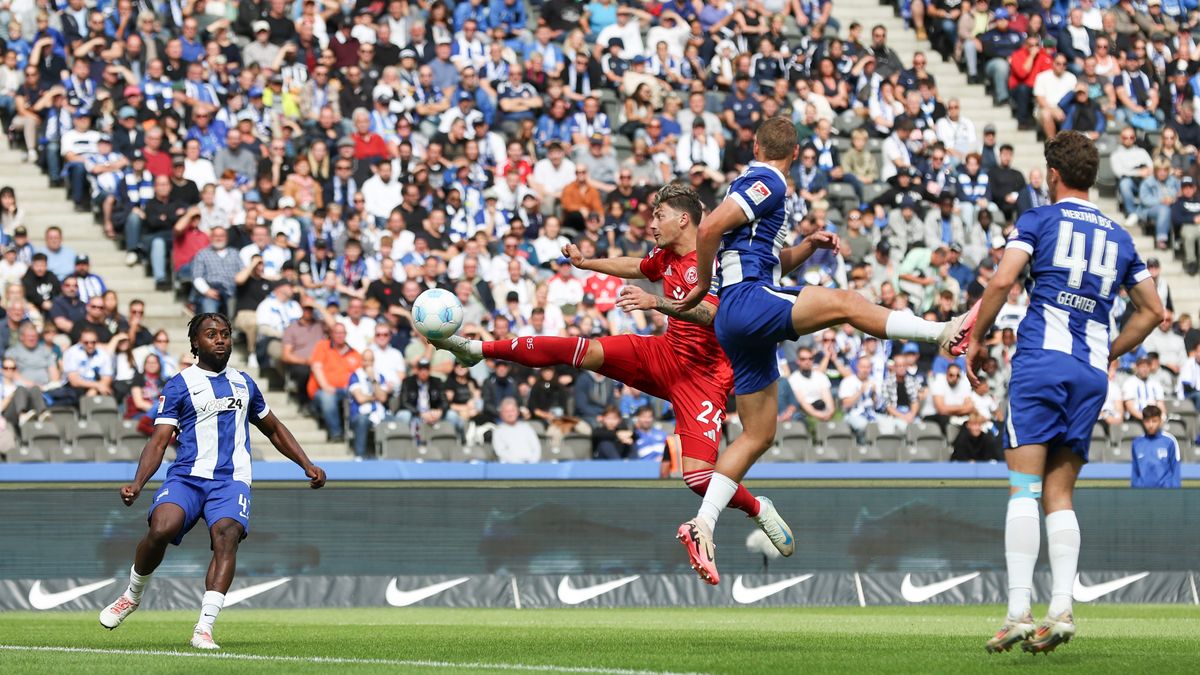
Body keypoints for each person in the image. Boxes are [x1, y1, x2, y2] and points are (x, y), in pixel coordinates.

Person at [671, 117, 979, 585]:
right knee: (846, 303)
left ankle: (703, 525)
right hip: (746, 300)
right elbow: (710, 228)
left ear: (755, 143)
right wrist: (703, 290)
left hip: (742, 315)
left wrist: (806, 247)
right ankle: (941, 332)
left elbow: (761, 255)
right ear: (795, 154)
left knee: (757, 435)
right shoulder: (768, 180)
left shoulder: (752, 189)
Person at [433, 183, 801, 566]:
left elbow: (710, 314)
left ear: (683, 218)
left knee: (697, 479)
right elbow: (638, 266)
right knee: (581, 349)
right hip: (664, 354)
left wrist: (656, 302)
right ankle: (476, 350)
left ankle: (758, 508)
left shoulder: (714, 261)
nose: (652, 225)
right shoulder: (667, 255)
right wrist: (586, 264)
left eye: (658, 217)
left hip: (705, 377)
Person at [966, 131, 1165, 654]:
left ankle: (1016, 613)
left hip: (1041, 364)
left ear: (1052, 174)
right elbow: (1154, 311)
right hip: (1090, 373)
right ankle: (1062, 608)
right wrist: (1107, 351)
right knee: (1060, 494)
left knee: (1025, 488)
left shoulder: (1038, 220)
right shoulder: (1120, 236)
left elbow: (1001, 282)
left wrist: (976, 341)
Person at [98, 313, 326, 650]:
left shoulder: (245, 383)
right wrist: (138, 482)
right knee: (162, 528)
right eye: (211, 334)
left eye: (225, 334)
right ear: (195, 344)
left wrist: (306, 463)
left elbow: (273, 428)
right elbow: (159, 440)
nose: (220, 340)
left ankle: (203, 628)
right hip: (188, 477)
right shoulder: (179, 384)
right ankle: (132, 595)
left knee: (227, 537)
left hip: (231, 480)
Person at [1130, 405, 1181, 489]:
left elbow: (1175, 470)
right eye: (1147, 421)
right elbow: (1135, 473)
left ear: (1160, 421)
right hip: (1142, 495)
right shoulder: (1137, 443)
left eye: (1154, 421)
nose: (1150, 425)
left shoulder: (1170, 441)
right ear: (1143, 421)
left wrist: (1176, 495)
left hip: (1164, 494)